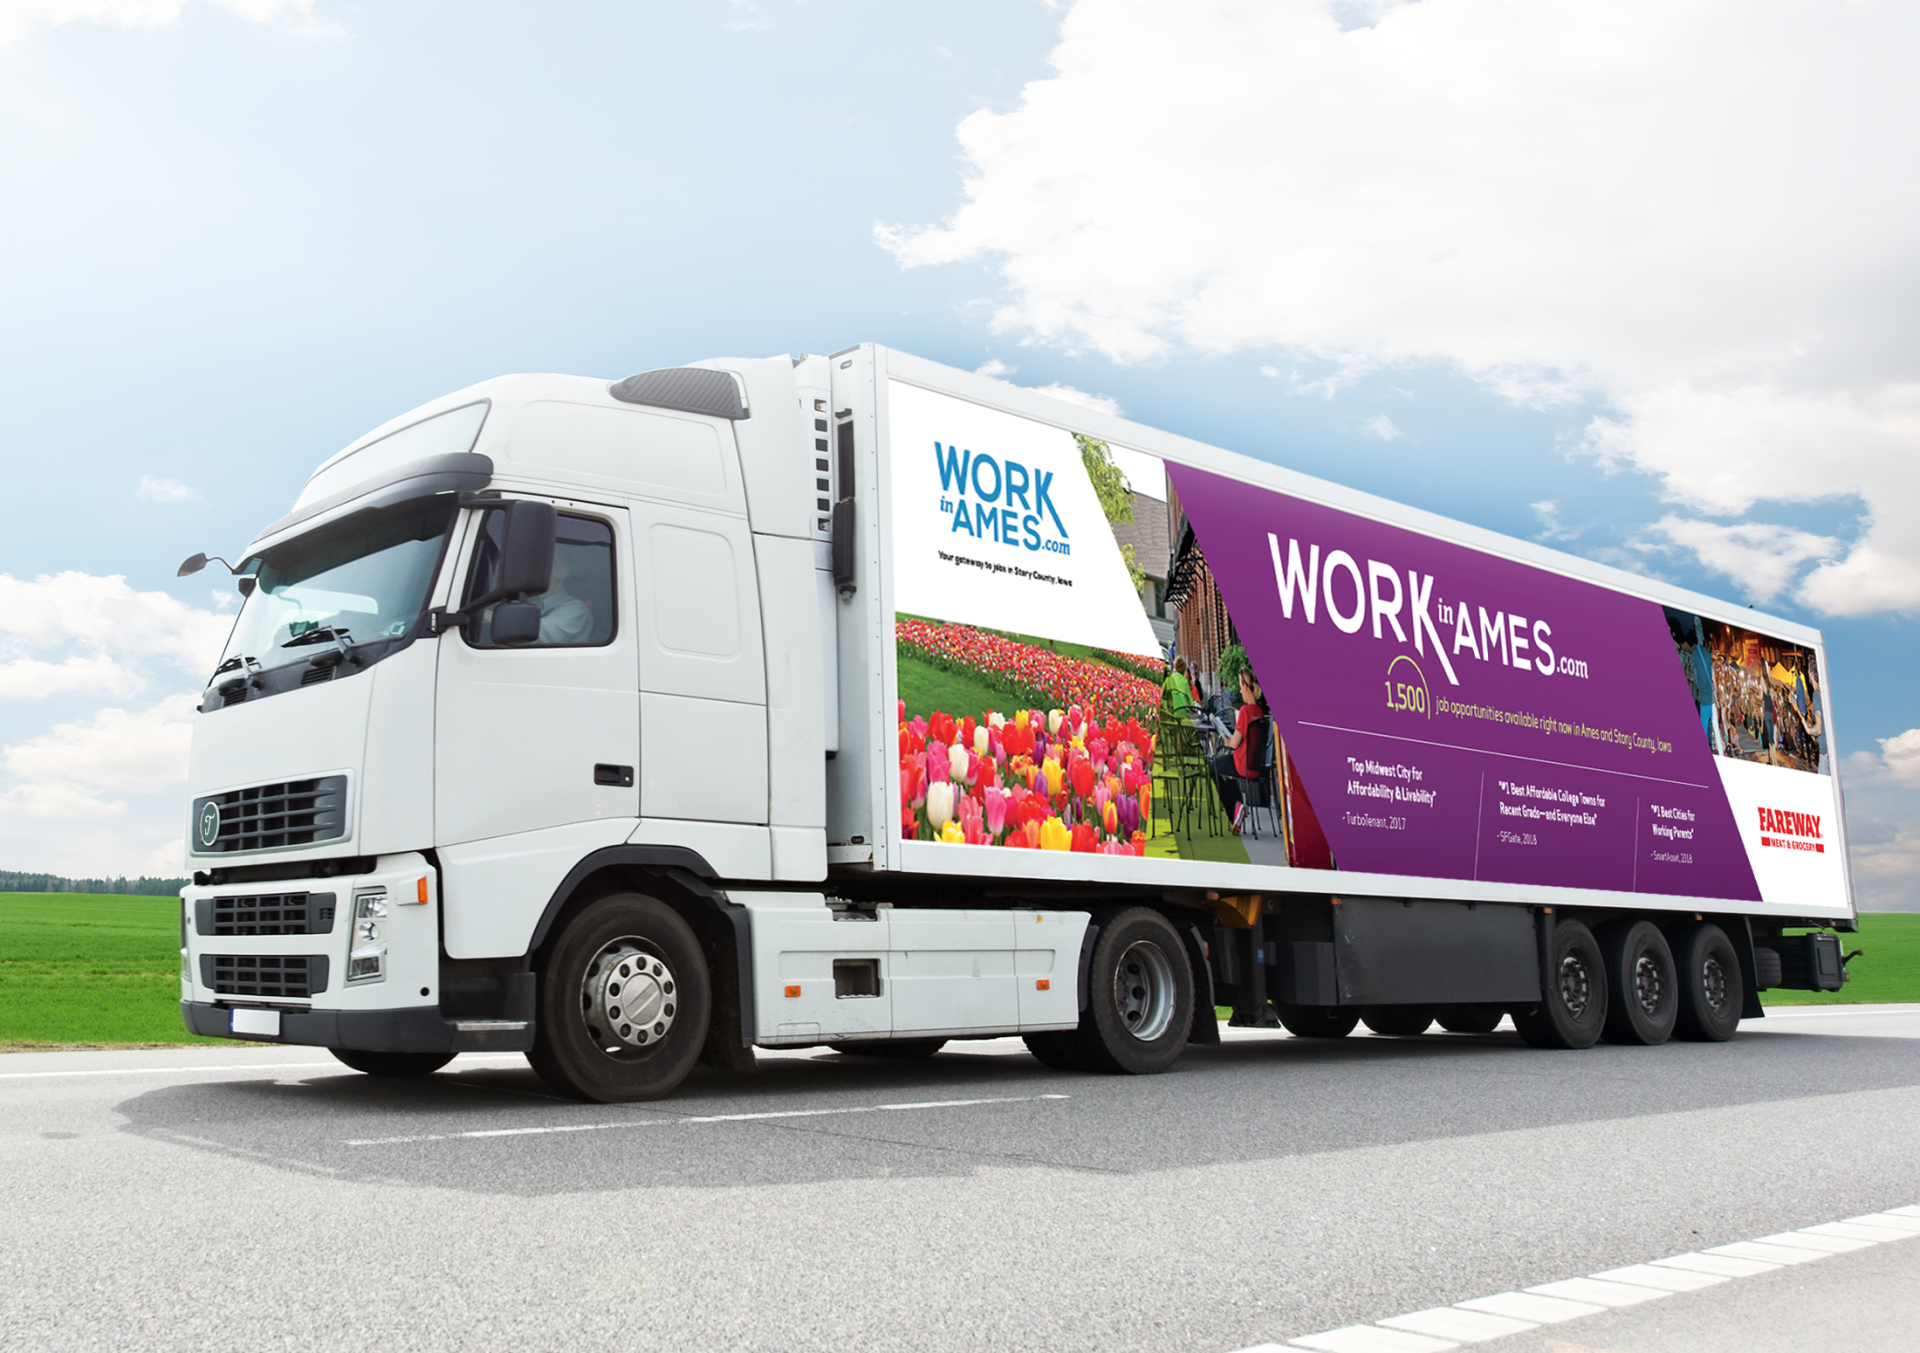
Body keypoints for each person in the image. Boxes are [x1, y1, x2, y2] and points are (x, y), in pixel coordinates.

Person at [1210, 668, 1269, 833]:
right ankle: (1237, 805)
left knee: (1212, 767)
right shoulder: (1260, 713)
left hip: (1241, 764)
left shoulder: (1245, 711)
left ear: (1245, 686)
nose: (1240, 690)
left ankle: (1234, 809)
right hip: (1255, 768)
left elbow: (1235, 743)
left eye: (1240, 686)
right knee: (1226, 771)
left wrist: (1227, 741)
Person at [535, 555, 593, 644]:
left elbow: (537, 635)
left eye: (541, 563)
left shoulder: (576, 609)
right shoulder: (533, 602)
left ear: (561, 570)